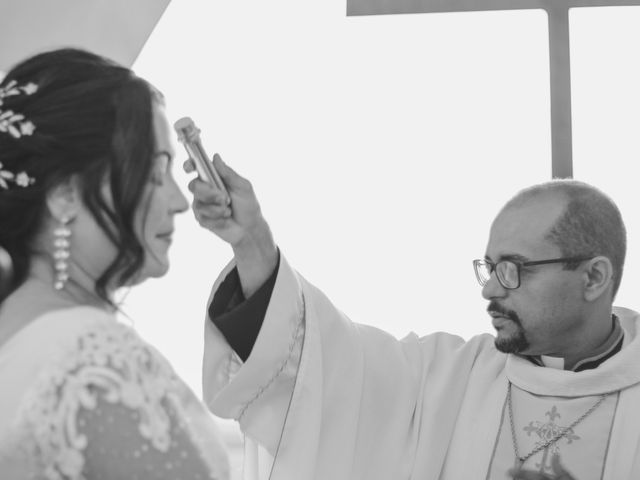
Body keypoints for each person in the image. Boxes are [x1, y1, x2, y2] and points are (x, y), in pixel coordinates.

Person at [187, 155, 640, 479]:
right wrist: (253, 244)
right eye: (488, 267)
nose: (489, 288)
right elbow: (322, 365)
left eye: (514, 270)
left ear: (594, 277)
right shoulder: (447, 380)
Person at [0, 48, 229, 480]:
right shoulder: (94, 361)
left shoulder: (12, 339)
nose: (180, 202)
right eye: (156, 171)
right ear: (65, 193)